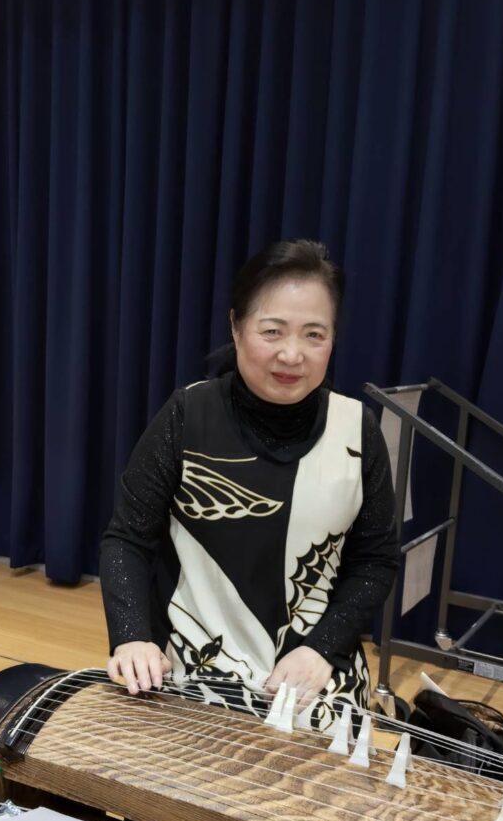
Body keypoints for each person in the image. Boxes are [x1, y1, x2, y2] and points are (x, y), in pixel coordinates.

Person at [99, 239, 398, 734]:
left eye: (314, 335)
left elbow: (376, 560)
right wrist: (131, 636)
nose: (291, 353)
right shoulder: (188, 414)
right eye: (272, 331)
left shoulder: (358, 429)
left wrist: (322, 649)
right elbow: (127, 539)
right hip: (191, 669)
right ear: (236, 327)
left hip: (315, 672)